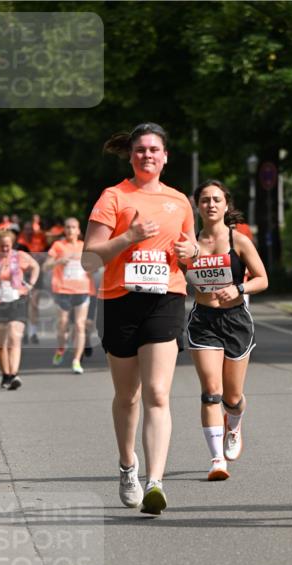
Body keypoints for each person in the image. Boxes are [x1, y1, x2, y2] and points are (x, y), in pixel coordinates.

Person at [82, 121, 196, 515]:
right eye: (141, 150)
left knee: (158, 394)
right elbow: (89, 257)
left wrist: (190, 252)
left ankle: (155, 481)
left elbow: (190, 253)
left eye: (154, 150)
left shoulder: (180, 201)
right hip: (120, 300)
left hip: (165, 299)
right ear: (131, 156)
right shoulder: (114, 197)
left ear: (165, 156)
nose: (148, 155)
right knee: (128, 396)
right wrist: (129, 237)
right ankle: (128, 465)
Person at [181, 179, 268, 480]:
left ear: (226, 204)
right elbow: (179, 280)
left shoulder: (239, 241)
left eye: (217, 199)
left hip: (236, 321)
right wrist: (186, 260)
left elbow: (262, 279)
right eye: (205, 200)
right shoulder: (189, 243)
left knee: (232, 398)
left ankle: (235, 422)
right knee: (211, 392)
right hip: (204, 321)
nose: (211, 204)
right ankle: (217, 459)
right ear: (197, 205)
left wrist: (240, 288)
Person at [0, 228, 40, 389]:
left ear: (12, 244)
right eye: (2, 246)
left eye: (8, 246)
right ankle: (5, 375)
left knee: (15, 336)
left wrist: (31, 284)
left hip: (17, 299)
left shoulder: (20, 256)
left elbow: (35, 267)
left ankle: (14, 375)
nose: (5, 249)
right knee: (0, 344)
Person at [45, 217, 94, 373]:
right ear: (64, 229)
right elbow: (45, 266)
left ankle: (76, 360)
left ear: (78, 230)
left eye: (73, 227)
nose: (70, 230)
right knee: (63, 324)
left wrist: (90, 266)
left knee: (80, 325)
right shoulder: (58, 246)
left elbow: (94, 267)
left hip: (82, 289)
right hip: (63, 290)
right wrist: (59, 261)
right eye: (67, 227)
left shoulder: (84, 247)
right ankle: (61, 348)